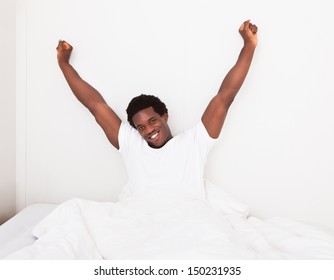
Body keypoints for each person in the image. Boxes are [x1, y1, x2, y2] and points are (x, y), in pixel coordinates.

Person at [56, 20, 258, 198]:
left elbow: (225, 96)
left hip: (188, 218)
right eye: (141, 127)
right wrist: (63, 63)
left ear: (165, 117)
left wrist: (248, 46)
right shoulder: (131, 143)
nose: (148, 130)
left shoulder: (195, 142)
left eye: (152, 121)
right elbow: (95, 105)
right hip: (142, 218)